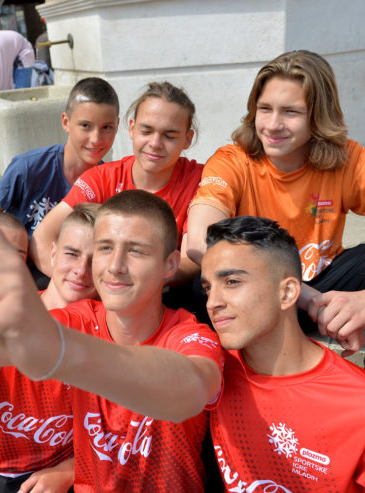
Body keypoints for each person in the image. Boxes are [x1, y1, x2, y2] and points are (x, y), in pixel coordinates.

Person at [0, 189, 223, 492]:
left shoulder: (191, 334)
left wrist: (63, 351)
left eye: (136, 250)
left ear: (171, 265)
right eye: (106, 247)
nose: (114, 265)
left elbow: (189, 387)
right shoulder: (70, 323)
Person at [187, 50, 365, 353]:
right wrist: (307, 298)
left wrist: (361, 301)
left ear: (318, 116)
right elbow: (199, 241)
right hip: (260, 289)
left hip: (324, 285)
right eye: (265, 109)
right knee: (202, 283)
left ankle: (343, 319)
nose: (272, 124)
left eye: (291, 112)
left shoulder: (348, 159)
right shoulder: (233, 160)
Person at [0, 205, 98, 493]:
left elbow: (127, 434)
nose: (81, 271)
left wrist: (71, 469)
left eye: (96, 260)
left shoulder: (107, 329)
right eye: (71, 253)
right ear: (51, 253)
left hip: (68, 475)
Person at [200, 215, 365, 492]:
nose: (212, 302)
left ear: (288, 293)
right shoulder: (210, 370)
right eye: (207, 287)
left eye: (231, 282)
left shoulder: (356, 404)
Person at [30, 81, 203, 286]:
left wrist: (129, 287)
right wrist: (85, 286)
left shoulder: (200, 181)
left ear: (187, 139)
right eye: (146, 131)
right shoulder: (101, 178)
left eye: (169, 135)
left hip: (160, 292)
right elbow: (41, 239)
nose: (155, 143)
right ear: (131, 128)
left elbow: (191, 258)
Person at [0, 77, 119, 238]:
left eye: (107, 127)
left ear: (117, 126)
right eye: (85, 126)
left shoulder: (110, 184)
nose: (96, 139)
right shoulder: (28, 167)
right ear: (65, 122)